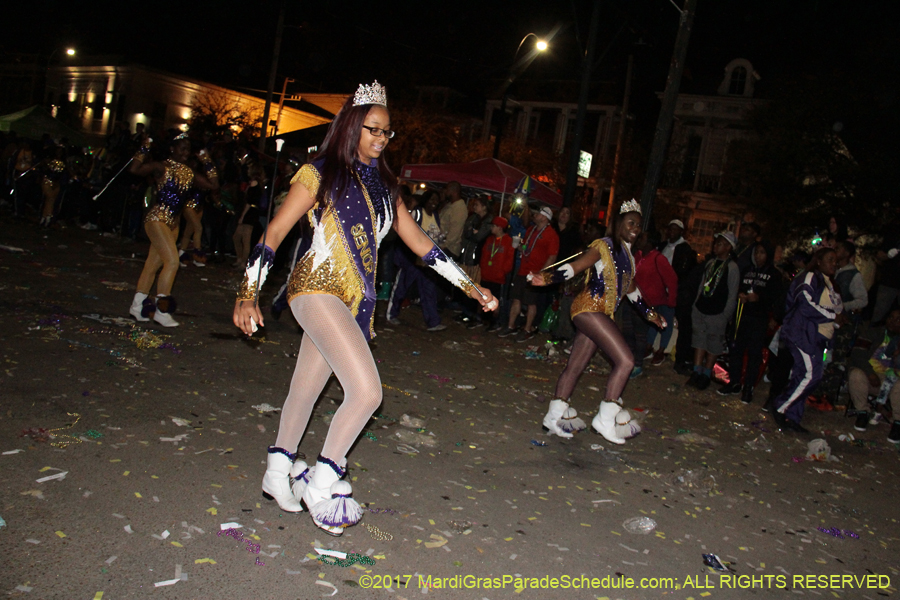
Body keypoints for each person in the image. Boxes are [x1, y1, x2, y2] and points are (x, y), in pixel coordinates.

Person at [232, 82, 495, 536]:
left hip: (351, 301)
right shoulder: (320, 173)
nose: (380, 139)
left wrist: (470, 286)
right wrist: (247, 291)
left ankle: (277, 473)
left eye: (387, 132)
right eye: (372, 129)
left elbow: (421, 246)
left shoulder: (388, 188)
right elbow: (274, 231)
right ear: (352, 127)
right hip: (316, 288)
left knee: (306, 388)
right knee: (368, 392)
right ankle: (324, 477)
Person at [530, 200, 666, 443]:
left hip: (599, 315)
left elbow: (632, 291)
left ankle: (553, 417)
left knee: (575, 366)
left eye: (638, 224)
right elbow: (577, 266)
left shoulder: (629, 257)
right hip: (589, 309)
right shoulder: (605, 245)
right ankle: (605, 420)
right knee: (626, 361)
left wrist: (651, 314)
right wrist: (548, 277)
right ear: (617, 224)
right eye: (630, 222)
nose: (635, 227)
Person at [128, 133, 219, 327]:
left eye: (188, 150)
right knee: (172, 261)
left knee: (152, 266)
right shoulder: (161, 166)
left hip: (174, 225)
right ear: (173, 149)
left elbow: (213, 184)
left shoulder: (189, 173)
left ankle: (137, 307)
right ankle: (162, 309)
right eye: (182, 148)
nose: (186, 153)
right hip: (157, 219)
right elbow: (134, 169)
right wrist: (144, 147)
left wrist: (207, 161)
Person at [771, 247, 842, 433]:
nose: (834, 263)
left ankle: (792, 417)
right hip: (803, 333)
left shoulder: (829, 283)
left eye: (836, 260)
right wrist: (832, 316)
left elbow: (836, 310)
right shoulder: (811, 276)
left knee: (802, 375)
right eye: (830, 259)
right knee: (812, 375)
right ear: (818, 260)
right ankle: (780, 406)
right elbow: (804, 302)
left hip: (817, 337)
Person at [718, 240, 783, 403]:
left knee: (754, 354)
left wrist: (759, 299)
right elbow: (740, 287)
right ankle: (734, 382)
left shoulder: (774, 274)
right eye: (756, 252)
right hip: (743, 315)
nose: (758, 256)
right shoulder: (747, 270)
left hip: (759, 318)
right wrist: (741, 295)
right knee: (736, 349)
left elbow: (776, 298)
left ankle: (748, 387)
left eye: (762, 253)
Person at [385, 190, 448, 331]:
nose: (434, 203)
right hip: (412, 258)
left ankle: (433, 322)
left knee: (428, 289)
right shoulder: (417, 213)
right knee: (402, 286)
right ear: (425, 200)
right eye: (431, 199)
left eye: (436, 201)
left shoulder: (436, 216)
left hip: (427, 260)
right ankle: (391, 314)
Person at [688, 232, 740, 391]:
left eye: (720, 244)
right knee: (699, 340)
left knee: (713, 344)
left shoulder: (732, 268)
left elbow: (733, 294)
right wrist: (695, 305)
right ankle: (696, 372)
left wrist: (725, 315)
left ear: (729, 247)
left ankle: (706, 374)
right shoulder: (710, 263)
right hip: (701, 308)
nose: (715, 246)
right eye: (716, 243)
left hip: (717, 313)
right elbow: (702, 285)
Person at [499, 206, 559, 342]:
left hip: (535, 272)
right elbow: (527, 246)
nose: (535, 215)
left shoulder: (551, 235)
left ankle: (527, 328)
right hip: (522, 270)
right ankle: (511, 325)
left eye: (538, 213)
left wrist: (540, 273)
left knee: (531, 302)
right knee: (516, 298)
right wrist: (519, 246)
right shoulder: (531, 230)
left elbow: (552, 257)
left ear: (544, 217)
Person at [846, 309, 900, 440]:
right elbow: (857, 354)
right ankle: (863, 412)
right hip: (870, 375)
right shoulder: (873, 332)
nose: (892, 321)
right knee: (856, 374)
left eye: (898, 319)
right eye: (891, 317)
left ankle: (898, 422)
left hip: (893, 380)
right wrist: (870, 373)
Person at [633, 229, 678, 369]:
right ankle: (648, 348)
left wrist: (671, 300)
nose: (639, 239)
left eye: (643, 238)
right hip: (642, 300)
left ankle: (661, 350)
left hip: (658, 299)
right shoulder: (638, 255)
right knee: (648, 326)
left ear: (650, 242)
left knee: (663, 325)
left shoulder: (658, 258)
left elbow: (672, 280)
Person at [659, 219, 697, 374]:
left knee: (668, 318)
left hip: (674, 290)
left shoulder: (685, 249)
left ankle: (662, 350)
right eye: (670, 229)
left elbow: (683, 273)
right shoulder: (663, 246)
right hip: (659, 289)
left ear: (681, 231)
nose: (672, 232)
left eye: (675, 229)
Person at [475, 217, 514, 331]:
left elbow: (509, 260)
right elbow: (483, 255)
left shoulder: (508, 241)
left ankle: (494, 322)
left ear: (500, 228)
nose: (491, 228)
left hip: (498, 278)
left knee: (495, 299)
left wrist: (503, 271)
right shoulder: (489, 240)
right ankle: (483, 319)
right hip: (486, 275)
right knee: (484, 297)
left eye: (494, 226)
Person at [39, 146, 67, 227]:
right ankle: (46, 217)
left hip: (57, 183)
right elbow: (45, 170)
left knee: (52, 200)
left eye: (60, 152)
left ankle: (45, 217)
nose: (59, 153)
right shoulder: (49, 160)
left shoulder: (64, 163)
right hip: (48, 181)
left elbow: (63, 174)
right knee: (49, 198)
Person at [439, 181, 467, 260]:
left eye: (447, 190)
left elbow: (456, 230)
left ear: (453, 191)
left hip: (449, 249)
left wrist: (444, 245)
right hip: (442, 245)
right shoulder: (450, 205)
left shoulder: (459, 208)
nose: (445, 192)